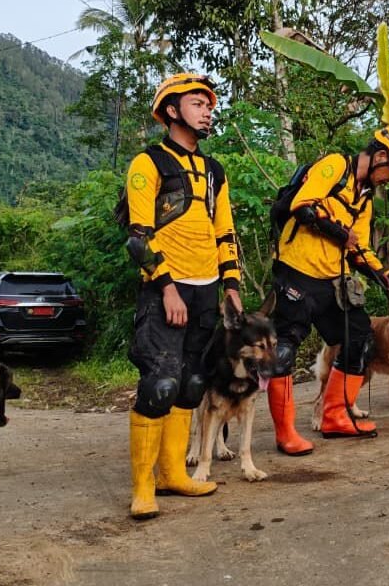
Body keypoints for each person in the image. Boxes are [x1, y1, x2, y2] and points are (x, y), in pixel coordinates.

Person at [123, 73, 242, 520]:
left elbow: (224, 230)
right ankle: (142, 487)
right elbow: (138, 237)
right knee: (160, 384)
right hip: (164, 291)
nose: (207, 110)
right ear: (172, 111)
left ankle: (173, 473)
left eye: (209, 104)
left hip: (207, 288)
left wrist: (230, 285)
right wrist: (166, 287)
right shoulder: (148, 163)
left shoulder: (215, 172)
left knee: (191, 384)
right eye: (197, 103)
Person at [270, 126, 389, 440]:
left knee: (360, 337)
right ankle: (286, 434)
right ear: (380, 156)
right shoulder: (336, 165)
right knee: (284, 349)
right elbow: (302, 206)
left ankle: (336, 416)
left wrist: (387, 277)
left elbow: (360, 248)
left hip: (330, 278)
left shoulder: (364, 201)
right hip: (296, 270)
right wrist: (341, 234)